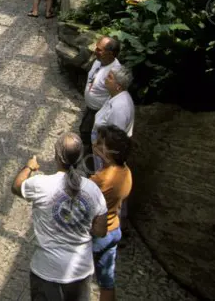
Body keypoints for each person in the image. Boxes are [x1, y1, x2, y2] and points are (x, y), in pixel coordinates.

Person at [13, 132, 108, 301]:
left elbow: (16, 186)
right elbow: (100, 231)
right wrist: (77, 223)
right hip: (80, 270)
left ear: (56, 156)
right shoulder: (93, 190)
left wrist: (29, 167)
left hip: (47, 270)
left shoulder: (40, 184)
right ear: (80, 158)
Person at [89, 125, 133, 301]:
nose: (95, 145)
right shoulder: (126, 171)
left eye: (100, 144)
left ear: (109, 153)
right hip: (114, 229)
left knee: (76, 275)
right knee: (107, 280)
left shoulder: (101, 179)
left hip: (97, 235)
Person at [80, 37, 122, 155]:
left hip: (99, 113)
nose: (95, 51)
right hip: (91, 109)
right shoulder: (99, 61)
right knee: (84, 131)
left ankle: (88, 161)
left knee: (93, 138)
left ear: (110, 54)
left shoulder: (114, 73)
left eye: (99, 50)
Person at [92, 64, 135, 171]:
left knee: (100, 176)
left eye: (110, 77)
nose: (106, 78)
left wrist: (102, 155)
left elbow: (113, 139)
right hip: (99, 146)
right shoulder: (114, 95)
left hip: (105, 154)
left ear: (118, 86)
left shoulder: (120, 108)